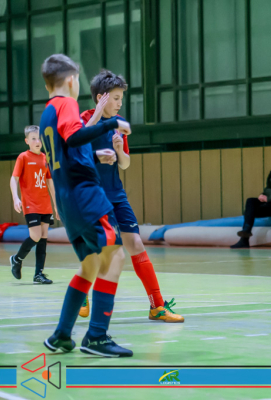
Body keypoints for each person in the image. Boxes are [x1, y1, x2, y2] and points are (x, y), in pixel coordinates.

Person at [39, 54, 133, 357]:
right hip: (86, 197)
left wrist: (93, 156)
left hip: (68, 202)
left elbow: (65, 154)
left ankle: (61, 335)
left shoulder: (46, 114)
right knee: (115, 256)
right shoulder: (66, 103)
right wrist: (113, 123)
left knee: (91, 265)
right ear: (71, 80)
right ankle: (96, 337)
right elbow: (75, 136)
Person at [79, 69, 183, 323]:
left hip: (116, 194)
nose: (119, 103)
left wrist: (119, 151)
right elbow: (76, 146)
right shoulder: (83, 120)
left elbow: (125, 164)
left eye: (121, 99)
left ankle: (157, 306)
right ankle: (82, 294)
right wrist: (97, 118)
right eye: (115, 98)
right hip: (92, 196)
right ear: (101, 98)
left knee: (136, 244)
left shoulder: (120, 123)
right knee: (102, 250)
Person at [9, 125, 59, 284]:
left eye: (39, 138)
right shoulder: (23, 157)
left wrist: (56, 205)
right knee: (35, 236)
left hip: (45, 204)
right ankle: (17, 259)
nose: (37, 142)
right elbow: (14, 178)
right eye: (33, 139)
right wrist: (15, 197)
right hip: (30, 204)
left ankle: (38, 274)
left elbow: (50, 182)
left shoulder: (45, 158)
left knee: (43, 237)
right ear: (27, 141)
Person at [231, 155, 271, 249]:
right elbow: (268, 189)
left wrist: (268, 199)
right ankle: (246, 231)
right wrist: (262, 195)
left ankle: (244, 239)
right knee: (250, 201)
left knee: (249, 212)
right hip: (270, 201)